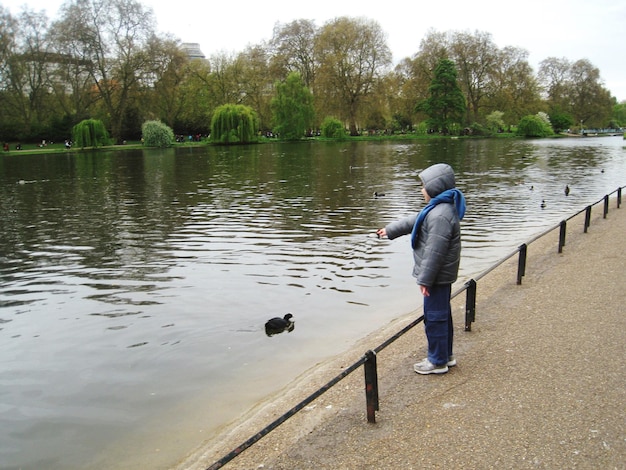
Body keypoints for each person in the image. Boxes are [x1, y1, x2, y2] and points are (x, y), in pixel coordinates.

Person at [376, 163, 466, 375]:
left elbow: (435, 252)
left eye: (423, 186)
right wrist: (389, 231)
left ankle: (437, 361)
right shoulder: (439, 207)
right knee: (442, 315)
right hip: (440, 276)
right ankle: (446, 355)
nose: (421, 189)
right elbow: (414, 221)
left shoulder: (440, 215)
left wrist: (425, 280)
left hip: (436, 277)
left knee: (434, 318)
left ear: (436, 187)